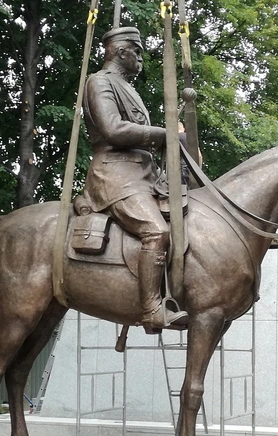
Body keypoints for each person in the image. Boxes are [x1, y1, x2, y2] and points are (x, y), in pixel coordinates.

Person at [82, 26, 188, 332]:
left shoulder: (127, 87)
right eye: (137, 51)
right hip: (116, 174)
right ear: (119, 51)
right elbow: (114, 130)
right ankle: (152, 310)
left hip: (143, 174)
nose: (141, 58)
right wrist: (167, 135)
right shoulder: (99, 82)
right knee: (156, 231)